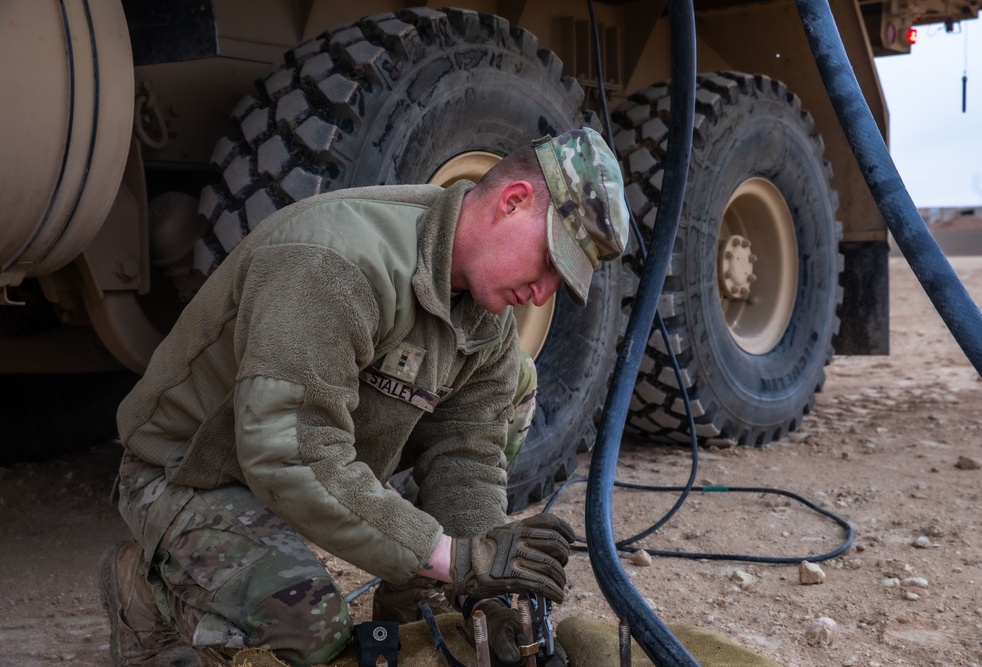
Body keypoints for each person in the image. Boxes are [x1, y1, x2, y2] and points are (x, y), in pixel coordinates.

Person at [99, 127, 629, 667]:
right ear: (512, 202)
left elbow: (466, 461)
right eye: (547, 262)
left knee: (517, 383)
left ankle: (415, 597)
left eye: (557, 283)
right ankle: (146, 590)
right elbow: (286, 452)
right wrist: (454, 555)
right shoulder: (333, 264)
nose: (542, 293)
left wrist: (478, 593)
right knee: (310, 633)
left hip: (307, 466)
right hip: (193, 472)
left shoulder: (485, 322)